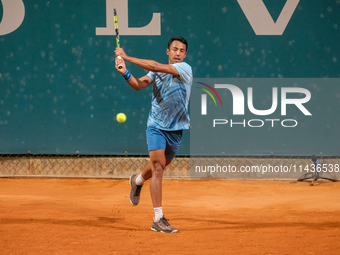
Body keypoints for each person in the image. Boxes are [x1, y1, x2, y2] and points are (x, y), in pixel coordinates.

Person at [114, 37, 192, 233]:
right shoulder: (155, 72)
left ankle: (137, 180)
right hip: (156, 125)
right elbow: (139, 84)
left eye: (181, 51)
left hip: (176, 129)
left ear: (185, 55)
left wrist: (126, 56)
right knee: (158, 168)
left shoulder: (185, 69)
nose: (178, 53)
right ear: (168, 51)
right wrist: (125, 72)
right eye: (174, 49)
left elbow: (156, 66)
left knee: (162, 165)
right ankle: (158, 218)